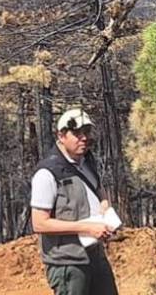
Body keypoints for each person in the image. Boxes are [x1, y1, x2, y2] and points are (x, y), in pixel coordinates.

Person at [30, 108, 119, 295]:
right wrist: (86, 228)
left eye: (86, 132)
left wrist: (105, 206)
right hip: (68, 262)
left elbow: (99, 190)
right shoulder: (47, 173)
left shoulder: (86, 161)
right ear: (61, 136)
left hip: (95, 256)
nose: (84, 138)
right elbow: (39, 223)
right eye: (77, 133)